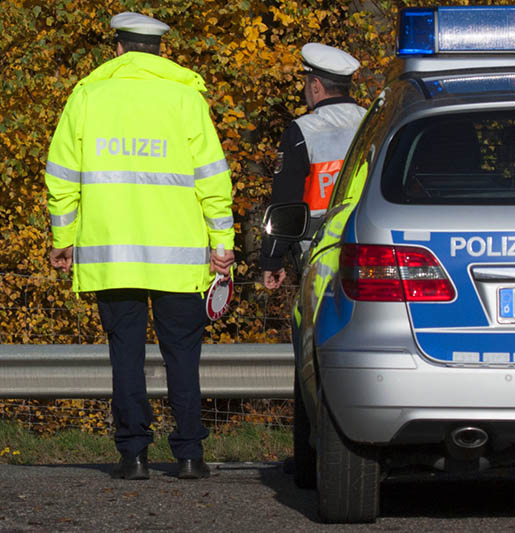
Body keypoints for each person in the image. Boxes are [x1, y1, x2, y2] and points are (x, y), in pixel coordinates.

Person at [44, 12, 235, 481]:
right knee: (183, 356)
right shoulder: (185, 97)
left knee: (125, 356)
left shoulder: (88, 95)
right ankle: (189, 455)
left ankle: (133, 456)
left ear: (117, 50)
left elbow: (62, 174)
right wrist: (223, 244)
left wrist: (62, 239)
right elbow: (213, 177)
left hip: (112, 259)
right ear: (160, 52)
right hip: (180, 258)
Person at [261, 43, 367, 289]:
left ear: (316, 85)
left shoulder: (302, 131)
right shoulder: (372, 120)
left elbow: (285, 201)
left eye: (307, 83)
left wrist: (272, 257)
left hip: (318, 251)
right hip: (367, 243)